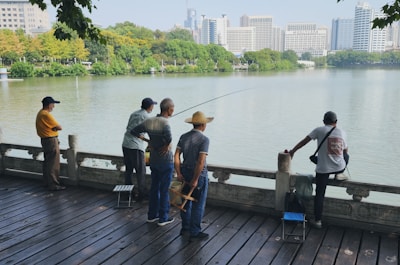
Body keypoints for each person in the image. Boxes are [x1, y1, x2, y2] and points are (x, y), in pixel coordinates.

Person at [288, 111, 349, 229]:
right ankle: (339, 174)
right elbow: (345, 151)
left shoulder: (319, 130)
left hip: (323, 168)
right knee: (347, 156)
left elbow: (303, 142)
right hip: (339, 166)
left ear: (323, 122)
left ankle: (318, 221)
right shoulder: (342, 132)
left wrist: (293, 151)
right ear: (336, 122)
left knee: (320, 194)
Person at [131, 98, 175, 226]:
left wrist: (147, 141)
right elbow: (169, 137)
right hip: (166, 160)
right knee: (165, 189)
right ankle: (163, 217)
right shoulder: (165, 123)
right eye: (173, 109)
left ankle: (152, 215)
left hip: (154, 160)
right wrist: (166, 145)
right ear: (169, 109)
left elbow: (133, 131)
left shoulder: (149, 121)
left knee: (155, 188)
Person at [174, 111, 213, 240]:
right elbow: (201, 161)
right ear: (203, 125)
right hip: (199, 174)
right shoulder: (204, 139)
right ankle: (195, 231)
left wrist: (179, 173)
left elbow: (176, 156)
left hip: (184, 171)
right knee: (198, 203)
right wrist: (196, 179)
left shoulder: (183, 136)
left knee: (184, 201)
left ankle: (185, 228)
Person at [122, 97, 157, 201]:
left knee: (128, 170)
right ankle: (142, 194)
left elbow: (129, 128)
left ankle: (128, 193)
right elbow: (151, 132)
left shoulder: (134, 113)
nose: (153, 107)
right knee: (140, 171)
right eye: (152, 105)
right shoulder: (146, 117)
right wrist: (149, 141)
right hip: (136, 147)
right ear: (150, 106)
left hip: (125, 144)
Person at [35, 96, 65, 191]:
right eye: (53, 104)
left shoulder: (40, 113)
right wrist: (54, 128)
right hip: (51, 140)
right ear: (49, 105)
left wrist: (53, 128)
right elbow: (59, 127)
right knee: (53, 163)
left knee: (47, 162)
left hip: (45, 140)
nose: (53, 107)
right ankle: (54, 184)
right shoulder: (46, 115)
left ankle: (47, 182)